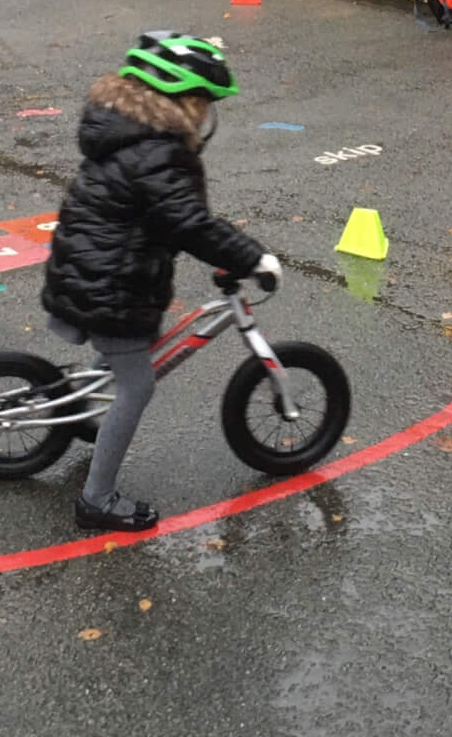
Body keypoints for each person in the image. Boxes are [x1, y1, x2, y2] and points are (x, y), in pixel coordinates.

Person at [40, 32, 280, 533]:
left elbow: (170, 220)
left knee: (127, 352)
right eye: (201, 102)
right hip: (107, 285)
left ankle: (87, 412)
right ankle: (97, 499)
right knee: (137, 385)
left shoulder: (131, 134)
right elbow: (188, 222)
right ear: (180, 100)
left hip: (95, 269)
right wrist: (251, 257)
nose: (204, 113)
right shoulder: (159, 153)